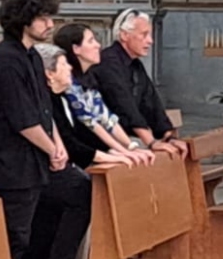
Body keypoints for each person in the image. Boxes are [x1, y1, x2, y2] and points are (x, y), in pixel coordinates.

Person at [0, 0, 90, 259]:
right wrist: (51, 149)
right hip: (14, 165)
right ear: (23, 18)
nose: (50, 25)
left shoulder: (30, 56)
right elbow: (23, 120)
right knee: (17, 236)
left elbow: (44, 110)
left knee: (78, 190)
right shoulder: (6, 60)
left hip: (38, 160)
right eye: (43, 18)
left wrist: (59, 148)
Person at [52, 22, 156, 165]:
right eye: (91, 41)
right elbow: (90, 121)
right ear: (76, 49)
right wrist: (122, 151)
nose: (98, 45)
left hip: (95, 147)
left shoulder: (89, 77)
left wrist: (130, 146)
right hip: (79, 153)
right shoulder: (68, 82)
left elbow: (106, 117)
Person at [89, 9, 188, 159]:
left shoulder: (135, 64)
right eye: (144, 34)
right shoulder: (108, 62)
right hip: (106, 142)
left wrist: (168, 136)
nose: (150, 41)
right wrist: (151, 142)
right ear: (124, 35)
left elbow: (151, 102)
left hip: (128, 139)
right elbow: (124, 104)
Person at [37, 42, 144, 170]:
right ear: (49, 74)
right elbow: (70, 143)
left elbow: (87, 133)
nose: (69, 68)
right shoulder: (50, 100)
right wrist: (111, 156)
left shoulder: (62, 96)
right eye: (64, 64)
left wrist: (116, 151)